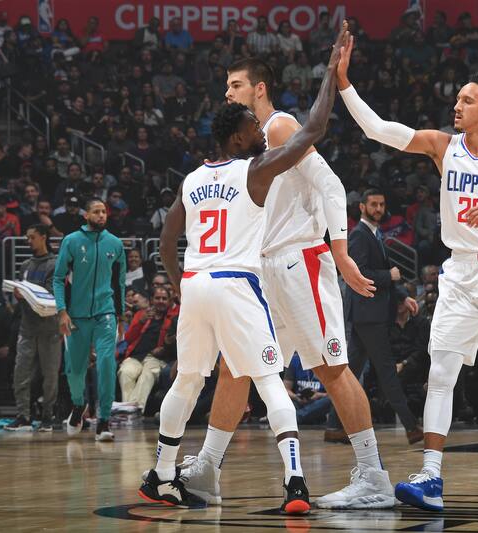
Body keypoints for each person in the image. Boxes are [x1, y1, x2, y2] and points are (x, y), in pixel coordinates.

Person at [335, 35, 478, 511]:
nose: (457, 105)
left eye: (467, 100)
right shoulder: (442, 146)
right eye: (457, 98)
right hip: (460, 272)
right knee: (441, 371)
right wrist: (345, 83)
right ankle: (431, 475)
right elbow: (378, 129)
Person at [176, 49, 397, 511]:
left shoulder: (278, 125)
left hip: (299, 261)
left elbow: (331, 185)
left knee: (330, 368)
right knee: (236, 367)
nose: (227, 93)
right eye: (226, 86)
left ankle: (373, 475)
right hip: (263, 270)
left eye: (236, 85)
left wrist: (341, 252)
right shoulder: (245, 146)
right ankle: (208, 469)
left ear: (259, 89)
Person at [138, 26, 348, 512]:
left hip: (195, 285)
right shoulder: (254, 170)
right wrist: (329, 75)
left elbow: (166, 241)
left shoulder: (192, 178)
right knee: (270, 380)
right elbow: (314, 129)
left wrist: (180, 284)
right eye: (253, 128)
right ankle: (296, 482)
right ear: (237, 136)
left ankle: (163, 476)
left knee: (187, 381)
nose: (261, 131)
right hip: (236, 285)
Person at [347, 189, 424, 443]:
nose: (378, 208)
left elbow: (386, 271)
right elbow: (359, 273)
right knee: (387, 372)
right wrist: (388, 277)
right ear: (362, 207)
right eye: (373, 204)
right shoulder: (359, 234)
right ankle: (411, 427)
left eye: (381, 204)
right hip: (368, 313)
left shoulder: (374, 233)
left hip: (368, 314)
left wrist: (403, 296)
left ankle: (334, 425)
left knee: (351, 373)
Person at [54, 198, 125, 442]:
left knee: (107, 364)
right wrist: (62, 311)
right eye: (96, 211)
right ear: (86, 215)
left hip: (106, 313)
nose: (101, 215)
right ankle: (78, 404)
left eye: (104, 211)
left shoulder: (115, 244)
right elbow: (58, 278)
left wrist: (121, 315)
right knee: (74, 369)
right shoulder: (71, 241)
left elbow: (119, 283)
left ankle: (103, 420)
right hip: (76, 315)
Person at [6, 225, 61, 431]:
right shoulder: (25, 265)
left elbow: (51, 293)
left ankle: (48, 416)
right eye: (27, 238)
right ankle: (23, 416)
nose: (28, 241)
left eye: (32, 237)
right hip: (27, 327)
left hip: (50, 328)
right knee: (20, 373)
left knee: (50, 375)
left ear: (44, 237)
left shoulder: (55, 264)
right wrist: (19, 294)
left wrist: (27, 292)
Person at [118, 286, 175, 412]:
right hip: (136, 356)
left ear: (169, 301)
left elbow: (172, 342)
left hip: (156, 359)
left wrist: (164, 348)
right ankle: (131, 412)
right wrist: (141, 322)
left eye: (164, 298)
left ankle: (130, 412)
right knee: (125, 372)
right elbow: (128, 338)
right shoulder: (141, 314)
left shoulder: (172, 318)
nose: (161, 301)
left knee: (147, 375)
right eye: (157, 298)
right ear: (151, 300)